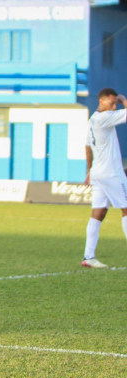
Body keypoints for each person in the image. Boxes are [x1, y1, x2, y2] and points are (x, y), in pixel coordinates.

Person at [82, 88, 127, 268]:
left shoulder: (92, 120)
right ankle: (88, 256)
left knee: (98, 213)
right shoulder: (104, 118)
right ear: (101, 101)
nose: (114, 106)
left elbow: (87, 146)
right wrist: (124, 100)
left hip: (99, 174)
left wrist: (89, 170)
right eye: (112, 102)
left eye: (116, 103)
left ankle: (88, 256)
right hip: (111, 174)